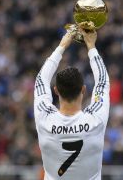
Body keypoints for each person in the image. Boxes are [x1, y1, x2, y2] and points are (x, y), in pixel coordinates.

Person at [34, 29, 110, 180]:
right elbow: (102, 81)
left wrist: (61, 46)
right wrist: (91, 46)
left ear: (56, 91)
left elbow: (41, 81)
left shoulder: (45, 118)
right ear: (83, 90)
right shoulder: (95, 118)